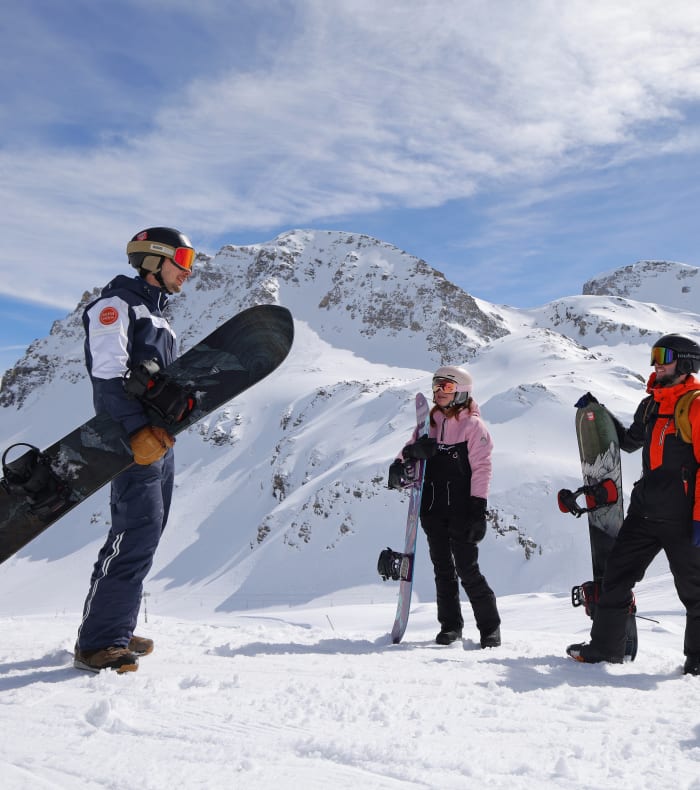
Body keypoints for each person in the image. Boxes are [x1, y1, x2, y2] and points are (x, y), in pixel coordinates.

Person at [73, 227, 195, 674]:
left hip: (158, 441)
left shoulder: (158, 315)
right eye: (182, 258)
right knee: (135, 532)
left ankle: (114, 627)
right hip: (132, 442)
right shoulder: (116, 305)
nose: (188, 270)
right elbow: (107, 377)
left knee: (147, 532)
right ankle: (99, 643)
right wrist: (136, 431)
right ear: (153, 259)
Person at [567, 334, 700, 674]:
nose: (656, 363)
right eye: (654, 355)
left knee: (695, 593)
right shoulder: (651, 404)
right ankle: (605, 649)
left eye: (664, 356)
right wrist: (599, 411)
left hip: (683, 518)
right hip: (644, 511)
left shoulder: (695, 405)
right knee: (615, 577)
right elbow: (628, 443)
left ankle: (697, 661)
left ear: (685, 363)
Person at [389, 366, 501, 647]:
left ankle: (490, 628)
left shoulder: (473, 427)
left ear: (461, 391)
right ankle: (450, 626)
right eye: (436, 386)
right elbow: (407, 454)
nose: (439, 392)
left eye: (446, 387)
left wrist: (478, 510)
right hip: (432, 508)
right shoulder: (429, 425)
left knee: (467, 569)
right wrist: (408, 457)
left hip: (462, 510)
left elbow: (482, 469)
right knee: (443, 570)